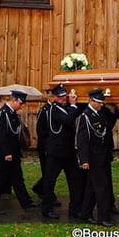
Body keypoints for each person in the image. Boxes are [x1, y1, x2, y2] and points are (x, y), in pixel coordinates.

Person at [0, 90, 37, 215]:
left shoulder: (12, 113)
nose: (21, 106)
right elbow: (1, 134)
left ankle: (26, 202)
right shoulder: (3, 113)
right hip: (4, 153)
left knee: (18, 179)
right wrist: (7, 153)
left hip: (13, 152)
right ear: (14, 100)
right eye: (20, 103)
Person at [41, 84, 82, 219]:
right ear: (54, 97)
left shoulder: (67, 107)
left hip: (68, 152)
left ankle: (75, 209)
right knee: (50, 181)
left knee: (75, 181)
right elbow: (68, 119)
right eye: (60, 97)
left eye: (64, 96)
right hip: (56, 152)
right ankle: (46, 209)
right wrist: (74, 105)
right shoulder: (53, 110)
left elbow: (77, 110)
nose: (63, 99)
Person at [75, 89, 114, 227]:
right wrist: (84, 159)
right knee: (102, 187)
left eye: (102, 102)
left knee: (92, 187)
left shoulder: (100, 113)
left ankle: (85, 213)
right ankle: (103, 217)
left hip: (102, 155)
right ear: (91, 101)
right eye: (98, 102)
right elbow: (82, 140)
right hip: (92, 157)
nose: (101, 104)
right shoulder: (85, 116)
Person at [31, 90, 57, 204]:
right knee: (48, 173)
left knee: (52, 172)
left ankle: (42, 189)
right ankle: (48, 196)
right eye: (51, 95)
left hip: (54, 146)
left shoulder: (56, 109)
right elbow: (40, 130)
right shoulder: (45, 110)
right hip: (46, 147)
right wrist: (46, 146)